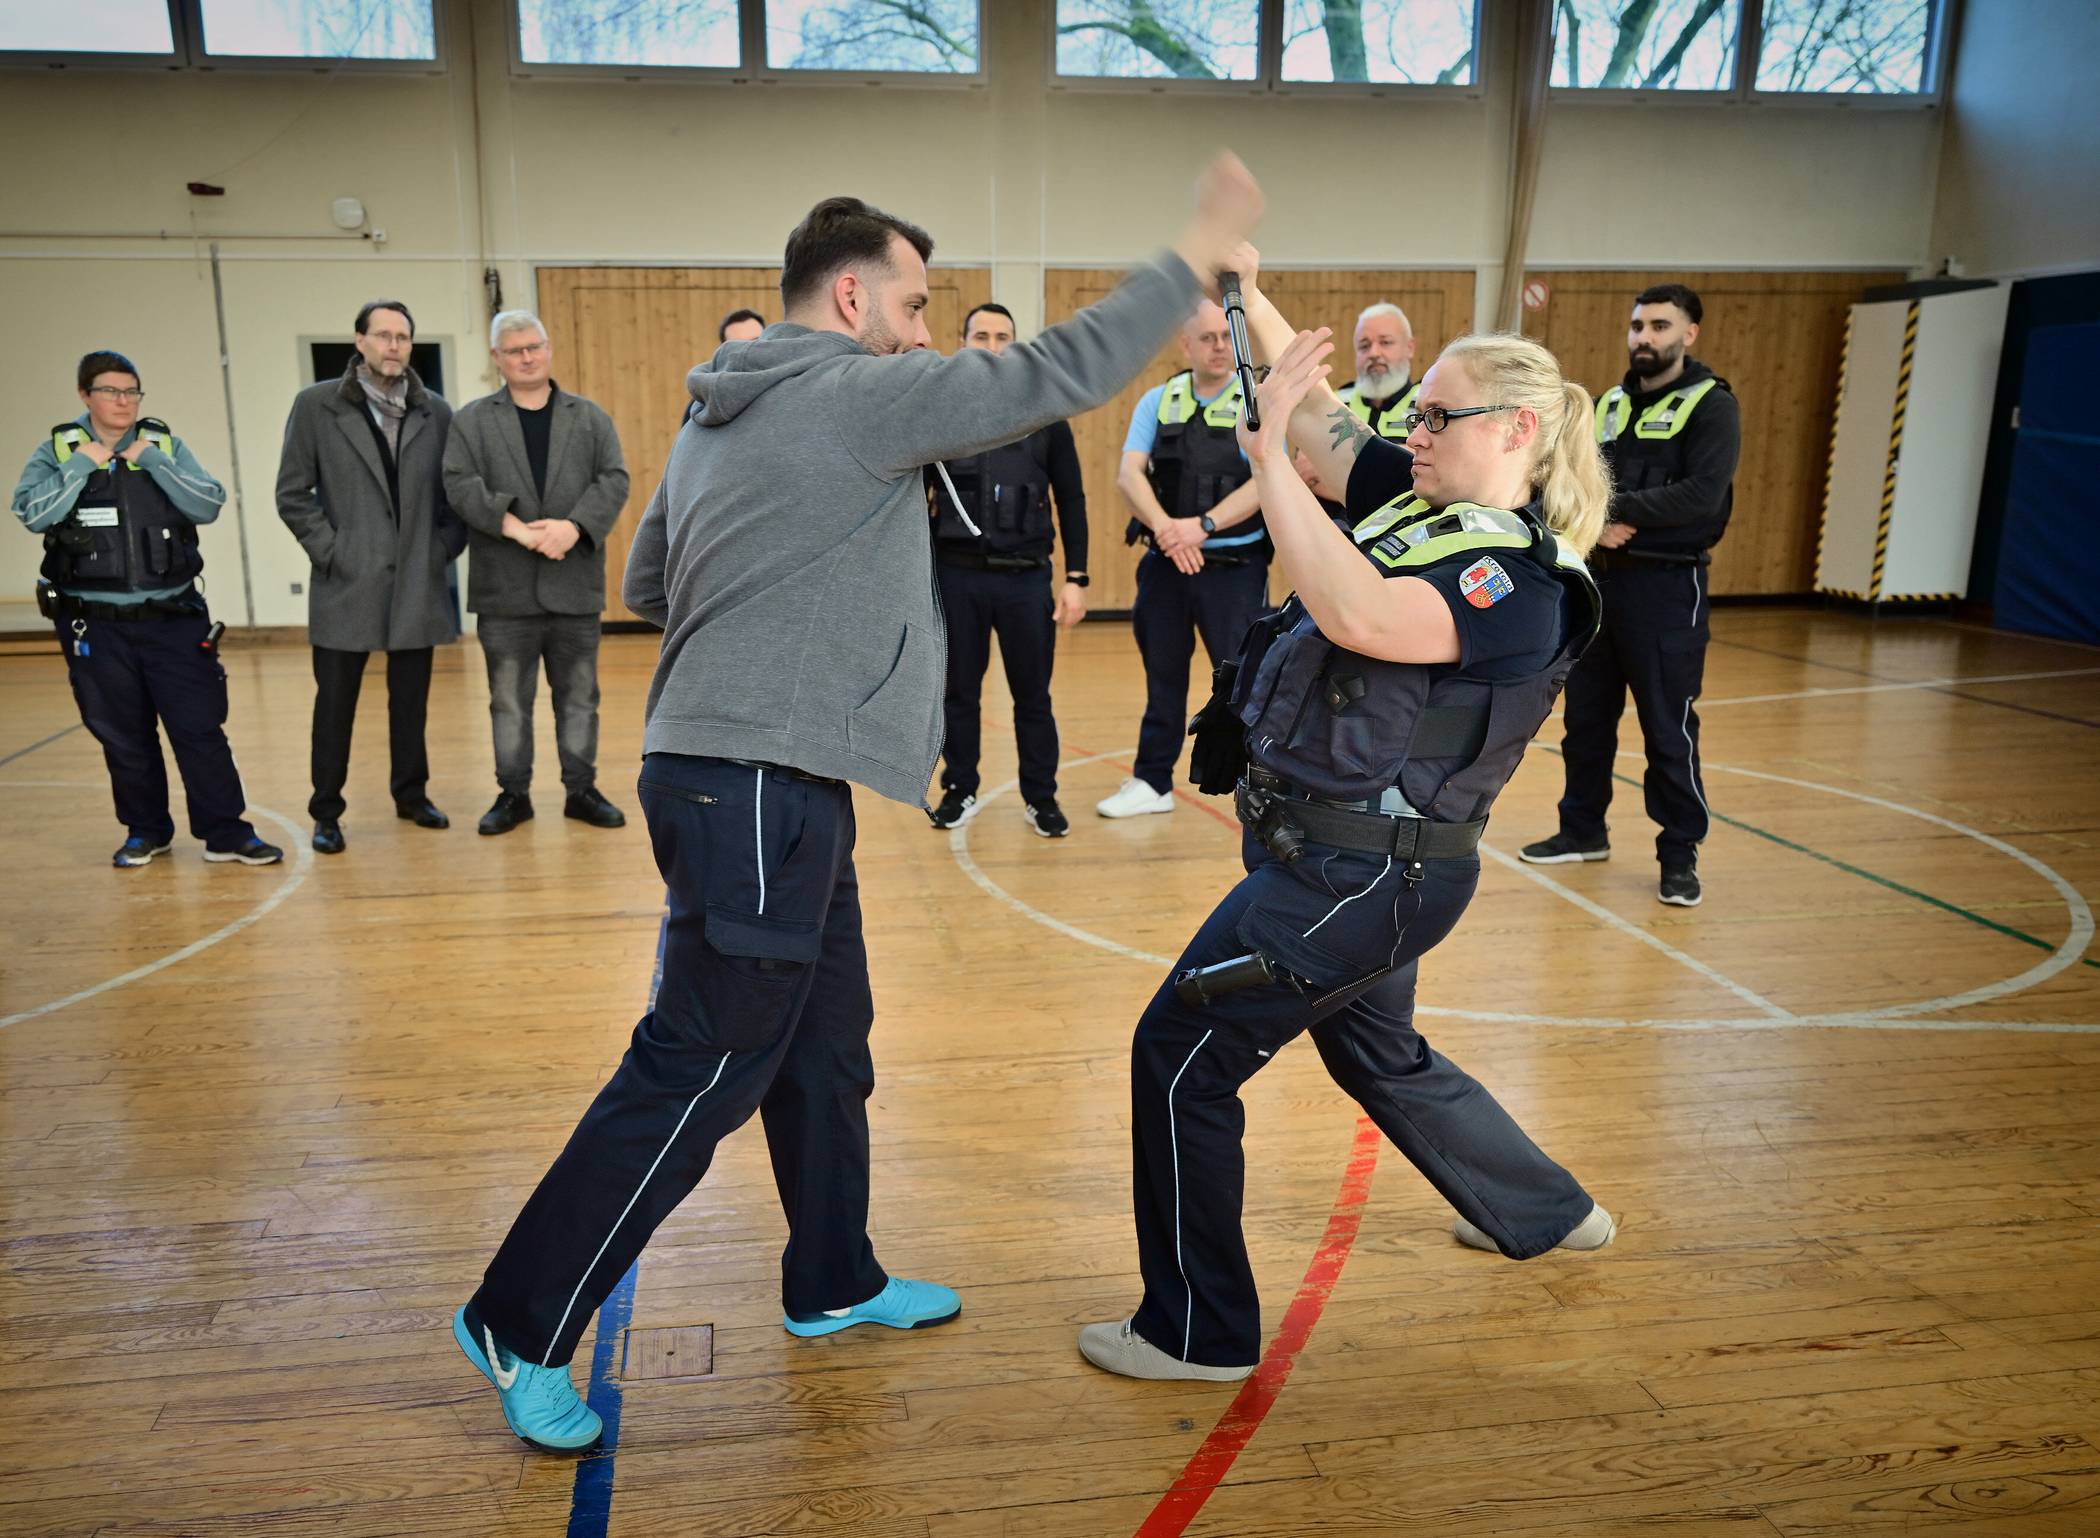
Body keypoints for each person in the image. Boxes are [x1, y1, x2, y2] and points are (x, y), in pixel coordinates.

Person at [454, 159, 1265, 1453]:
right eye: (917, 305)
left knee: (828, 1042)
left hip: (752, 772)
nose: (926, 332)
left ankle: (832, 1276)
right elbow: (1057, 370)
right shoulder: (855, 393)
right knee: (703, 1059)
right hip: (756, 782)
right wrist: (1194, 254)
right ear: (851, 299)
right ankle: (521, 1315)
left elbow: (651, 579)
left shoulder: (719, 411)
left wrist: (782, 612)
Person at [1078, 256, 1616, 1385]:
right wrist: (1244, 291)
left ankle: (1196, 1333)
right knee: (1379, 1052)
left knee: (1177, 1058)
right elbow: (1321, 420)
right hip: (1354, 866)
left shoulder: (1521, 584)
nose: (1411, 430)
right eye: (1415, 415)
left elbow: (1357, 611)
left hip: (1360, 881)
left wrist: (1266, 461)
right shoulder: (1424, 503)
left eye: (1436, 416)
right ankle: (1547, 1208)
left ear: (1517, 429)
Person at [11, 350, 281, 868]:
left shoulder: (164, 446)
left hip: (174, 620)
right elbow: (33, 513)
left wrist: (154, 461)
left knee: (200, 729)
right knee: (123, 735)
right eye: (110, 391)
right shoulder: (58, 451)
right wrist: (81, 464)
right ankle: (146, 831)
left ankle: (226, 832)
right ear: (85, 395)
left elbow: (207, 504)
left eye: (131, 391)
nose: (123, 401)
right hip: (95, 626)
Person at [1519, 283, 1740, 908]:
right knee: (1586, 720)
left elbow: (1701, 496)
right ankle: (1581, 830)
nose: (1644, 337)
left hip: (1667, 588)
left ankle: (1679, 855)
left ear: (1689, 334)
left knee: (1668, 727)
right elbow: (1567, 477)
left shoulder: (1712, 405)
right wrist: (1597, 517)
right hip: (1599, 583)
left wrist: (1611, 509)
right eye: (1638, 325)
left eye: (1659, 326)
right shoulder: (1607, 404)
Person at [276, 299, 466, 855]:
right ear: (359, 341)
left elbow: (455, 495)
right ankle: (326, 811)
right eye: (383, 335)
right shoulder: (316, 406)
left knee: (411, 704)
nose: (393, 346)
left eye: (402, 337)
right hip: (346, 582)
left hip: (416, 582)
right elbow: (292, 493)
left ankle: (412, 795)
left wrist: (439, 551)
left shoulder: (436, 411)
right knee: (335, 706)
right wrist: (333, 552)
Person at [442, 310, 632, 837]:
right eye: (514, 350)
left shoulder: (589, 418)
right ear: (496, 358)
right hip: (504, 592)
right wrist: (516, 530)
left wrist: (574, 527)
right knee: (508, 702)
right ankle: (513, 794)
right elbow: (458, 484)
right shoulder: (472, 421)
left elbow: (614, 478)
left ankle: (581, 790)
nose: (527, 357)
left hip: (574, 586)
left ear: (548, 349)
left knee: (580, 699)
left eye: (534, 346)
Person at [1097, 301, 1269, 820]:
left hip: (1233, 572)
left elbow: (1265, 480)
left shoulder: (1254, 405)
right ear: (1186, 345)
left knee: (1241, 684)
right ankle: (1153, 783)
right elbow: (1130, 475)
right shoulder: (1157, 400)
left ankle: (1260, 783)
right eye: (1207, 337)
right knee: (1163, 679)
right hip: (1166, 568)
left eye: (1226, 336)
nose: (1218, 346)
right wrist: (1171, 532)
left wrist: (1202, 526)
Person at [925, 301, 1091, 838]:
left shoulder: (1045, 416)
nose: (993, 346)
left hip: (1026, 580)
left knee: (1033, 697)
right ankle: (960, 787)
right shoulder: (941, 413)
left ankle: (1041, 797)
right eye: (982, 336)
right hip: (957, 577)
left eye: (1003, 337)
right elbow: (913, 500)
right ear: (963, 342)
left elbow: (1071, 499)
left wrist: (1077, 577)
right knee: (959, 694)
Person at [1334, 300, 1420, 439]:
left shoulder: (1427, 404)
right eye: (1364, 345)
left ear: (1409, 348)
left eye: (1385, 342)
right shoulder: (1335, 404)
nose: (1373, 353)